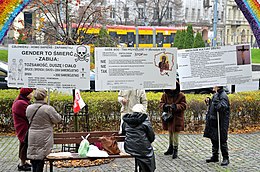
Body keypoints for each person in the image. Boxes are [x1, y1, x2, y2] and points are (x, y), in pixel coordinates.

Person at [26, 88, 62, 172]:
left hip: (32, 134)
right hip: (44, 135)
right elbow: (57, 119)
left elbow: (28, 119)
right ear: (44, 97)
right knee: (41, 157)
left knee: (34, 157)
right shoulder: (48, 109)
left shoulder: (29, 108)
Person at [122, 104, 156, 172]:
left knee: (141, 153)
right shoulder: (145, 121)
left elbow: (124, 133)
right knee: (149, 155)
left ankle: (142, 169)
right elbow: (151, 137)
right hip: (143, 149)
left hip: (129, 147)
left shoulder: (126, 121)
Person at [203, 86, 230, 166]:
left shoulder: (223, 95)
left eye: (214, 85)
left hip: (221, 122)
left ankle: (225, 158)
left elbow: (222, 107)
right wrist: (209, 100)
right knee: (214, 138)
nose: (212, 86)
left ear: (218, 86)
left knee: (222, 139)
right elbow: (213, 104)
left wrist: (217, 103)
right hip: (214, 120)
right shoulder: (217, 94)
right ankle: (215, 156)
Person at [159, 81, 187, 159]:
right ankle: (170, 148)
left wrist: (176, 106)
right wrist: (165, 106)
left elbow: (184, 105)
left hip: (177, 117)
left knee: (175, 134)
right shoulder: (165, 95)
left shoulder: (181, 95)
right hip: (168, 118)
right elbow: (161, 104)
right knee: (170, 133)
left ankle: (175, 150)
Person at [12, 88, 34, 171]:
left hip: (23, 126)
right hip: (23, 127)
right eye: (31, 93)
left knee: (24, 144)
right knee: (24, 144)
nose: (32, 95)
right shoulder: (21, 103)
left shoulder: (21, 101)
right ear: (26, 94)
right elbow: (28, 115)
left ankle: (24, 162)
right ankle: (22, 163)